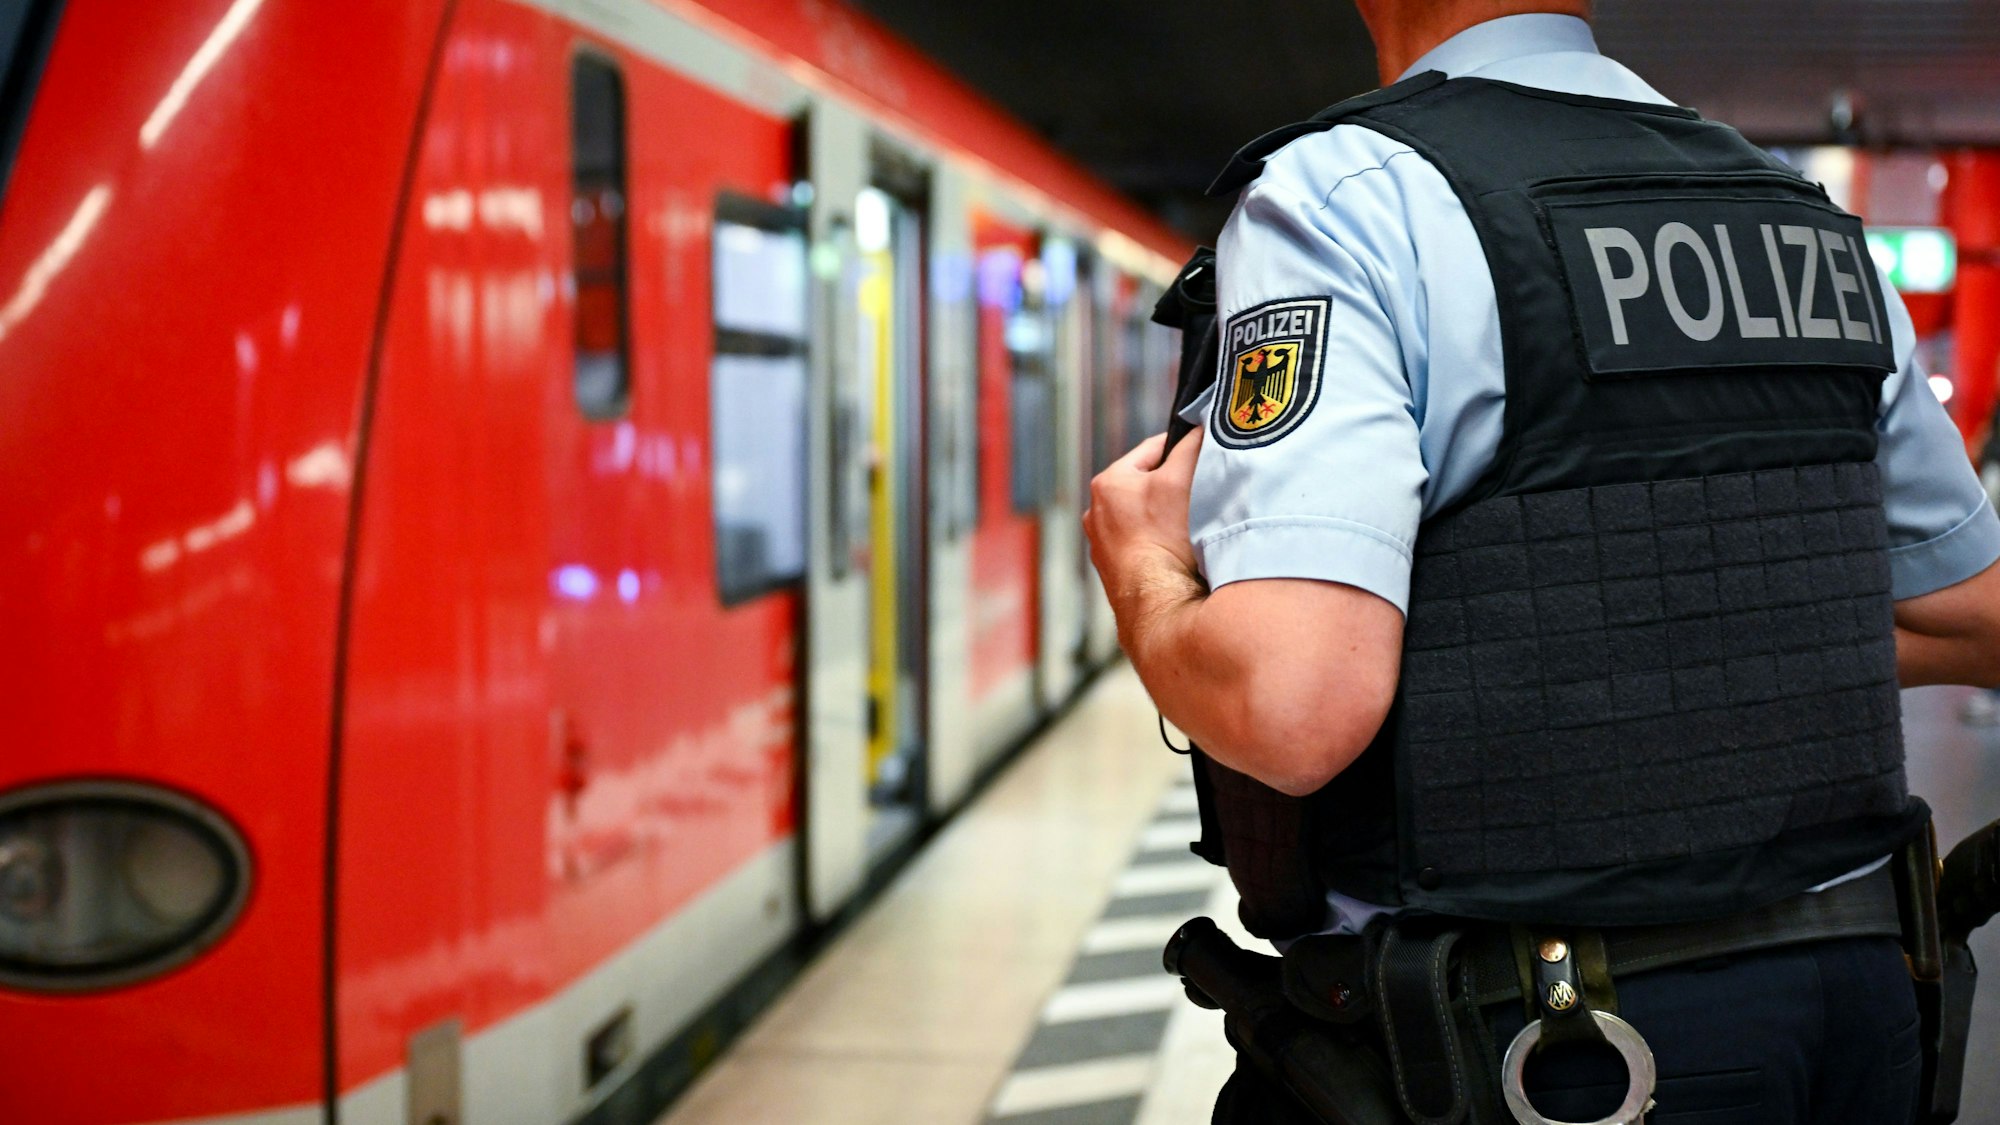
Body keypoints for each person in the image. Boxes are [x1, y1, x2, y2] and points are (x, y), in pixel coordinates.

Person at [1084, 2, 2000, 1123]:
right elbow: (1970, 612)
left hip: (1553, 1051)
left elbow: (1293, 705)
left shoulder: (1346, 198)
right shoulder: (1797, 217)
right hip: (1859, 1014)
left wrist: (1142, 574)